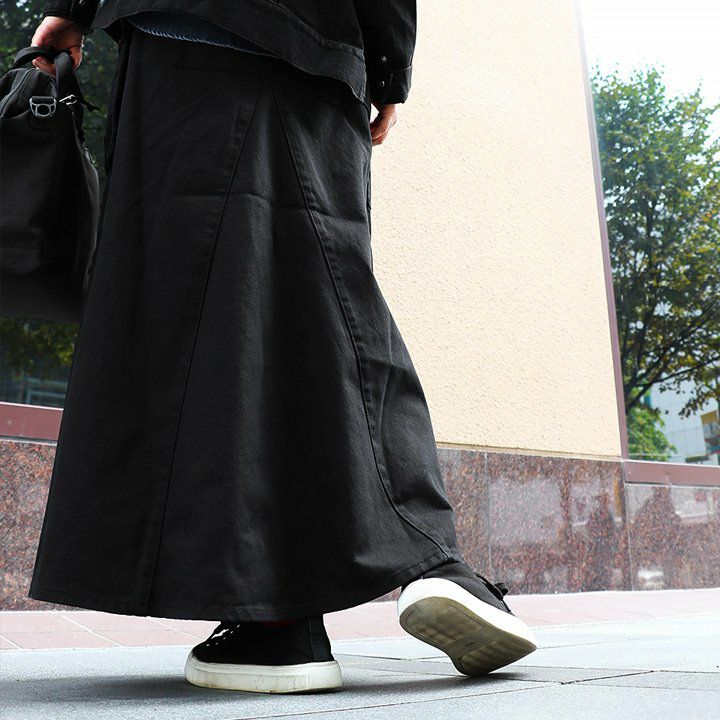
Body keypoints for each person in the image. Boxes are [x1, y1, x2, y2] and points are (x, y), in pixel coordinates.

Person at [28, 0, 537, 694]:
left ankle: (278, 621)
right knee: (317, 288)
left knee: (207, 317)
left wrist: (69, 12)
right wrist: (388, 66)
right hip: (313, 43)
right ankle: (405, 571)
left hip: (173, 40)